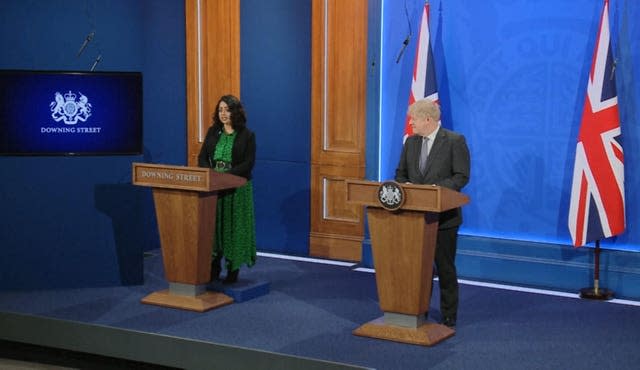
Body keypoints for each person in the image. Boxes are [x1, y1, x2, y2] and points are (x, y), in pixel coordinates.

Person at [394, 98, 470, 328]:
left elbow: (461, 176)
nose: (411, 123)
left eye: (414, 119)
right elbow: (400, 174)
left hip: (444, 219)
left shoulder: (454, 141)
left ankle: (449, 315)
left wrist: (435, 192)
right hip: (415, 219)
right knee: (418, 269)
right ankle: (419, 310)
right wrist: (406, 187)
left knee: (444, 268)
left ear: (428, 119)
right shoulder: (411, 143)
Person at [198, 95, 257, 284]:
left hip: (236, 190)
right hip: (214, 188)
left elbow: (248, 164)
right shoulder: (212, 132)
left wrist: (225, 177)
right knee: (214, 228)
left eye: (227, 110)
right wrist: (210, 176)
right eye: (220, 109)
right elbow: (202, 158)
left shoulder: (247, 135)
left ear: (235, 112)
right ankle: (213, 268)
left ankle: (233, 270)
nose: (223, 113)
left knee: (234, 228)